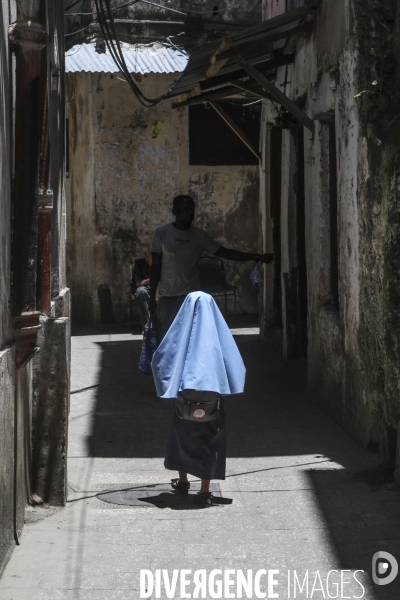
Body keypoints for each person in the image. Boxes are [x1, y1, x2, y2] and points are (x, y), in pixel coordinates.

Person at [149, 194, 273, 501]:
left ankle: (182, 480)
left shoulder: (199, 237)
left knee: (181, 429)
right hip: (171, 299)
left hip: (184, 389)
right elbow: (156, 268)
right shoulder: (162, 234)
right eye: (183, 208)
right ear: (173, 210)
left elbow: (163, 359)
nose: (188, 213)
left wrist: (254, 256)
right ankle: (204, 488)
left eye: (192, 208)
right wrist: (155, 301)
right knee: (210, 434)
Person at [132, 252, 152, 330]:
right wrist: (154, 280)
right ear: (147, 259)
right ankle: (147, 325)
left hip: (160, 287)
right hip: (144, 287)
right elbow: (138, 283)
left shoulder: (161, 263)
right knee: (141, 292)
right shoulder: (139, 264)